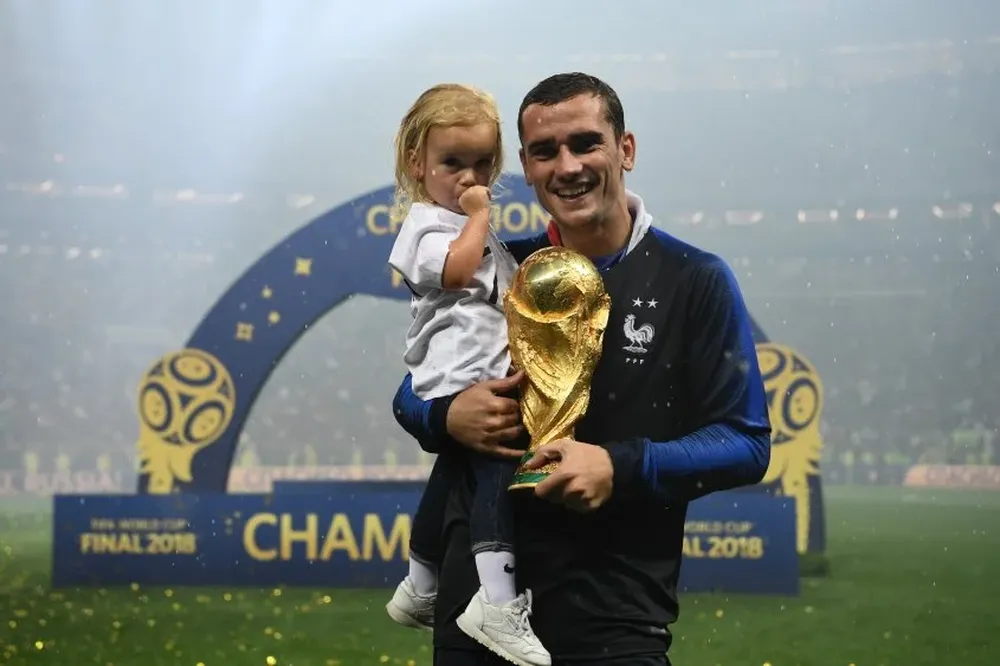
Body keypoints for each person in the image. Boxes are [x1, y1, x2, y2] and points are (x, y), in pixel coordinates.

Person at [391, 72, 773, 666]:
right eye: (545, 152)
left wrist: (619, 465)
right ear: (523, 166)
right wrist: (447, 415)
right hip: (475, 624)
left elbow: (746, 443)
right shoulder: (500, 265)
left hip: (615, 622)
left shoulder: (693, 278)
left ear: (626, 149)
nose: (566, 166)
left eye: (586, 143)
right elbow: (411, 393)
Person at [384, 83, 552, 666]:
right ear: (417, 163)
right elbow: (456, 274)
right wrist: (480, 215)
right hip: (457, 378)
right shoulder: (427, 226)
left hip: (471, 374)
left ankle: (420, 585)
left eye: (483, 164)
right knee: (496, 477)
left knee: (452, 473)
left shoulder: (480, 233)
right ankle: (496, 601)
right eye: (453, 163)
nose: (470, 178)